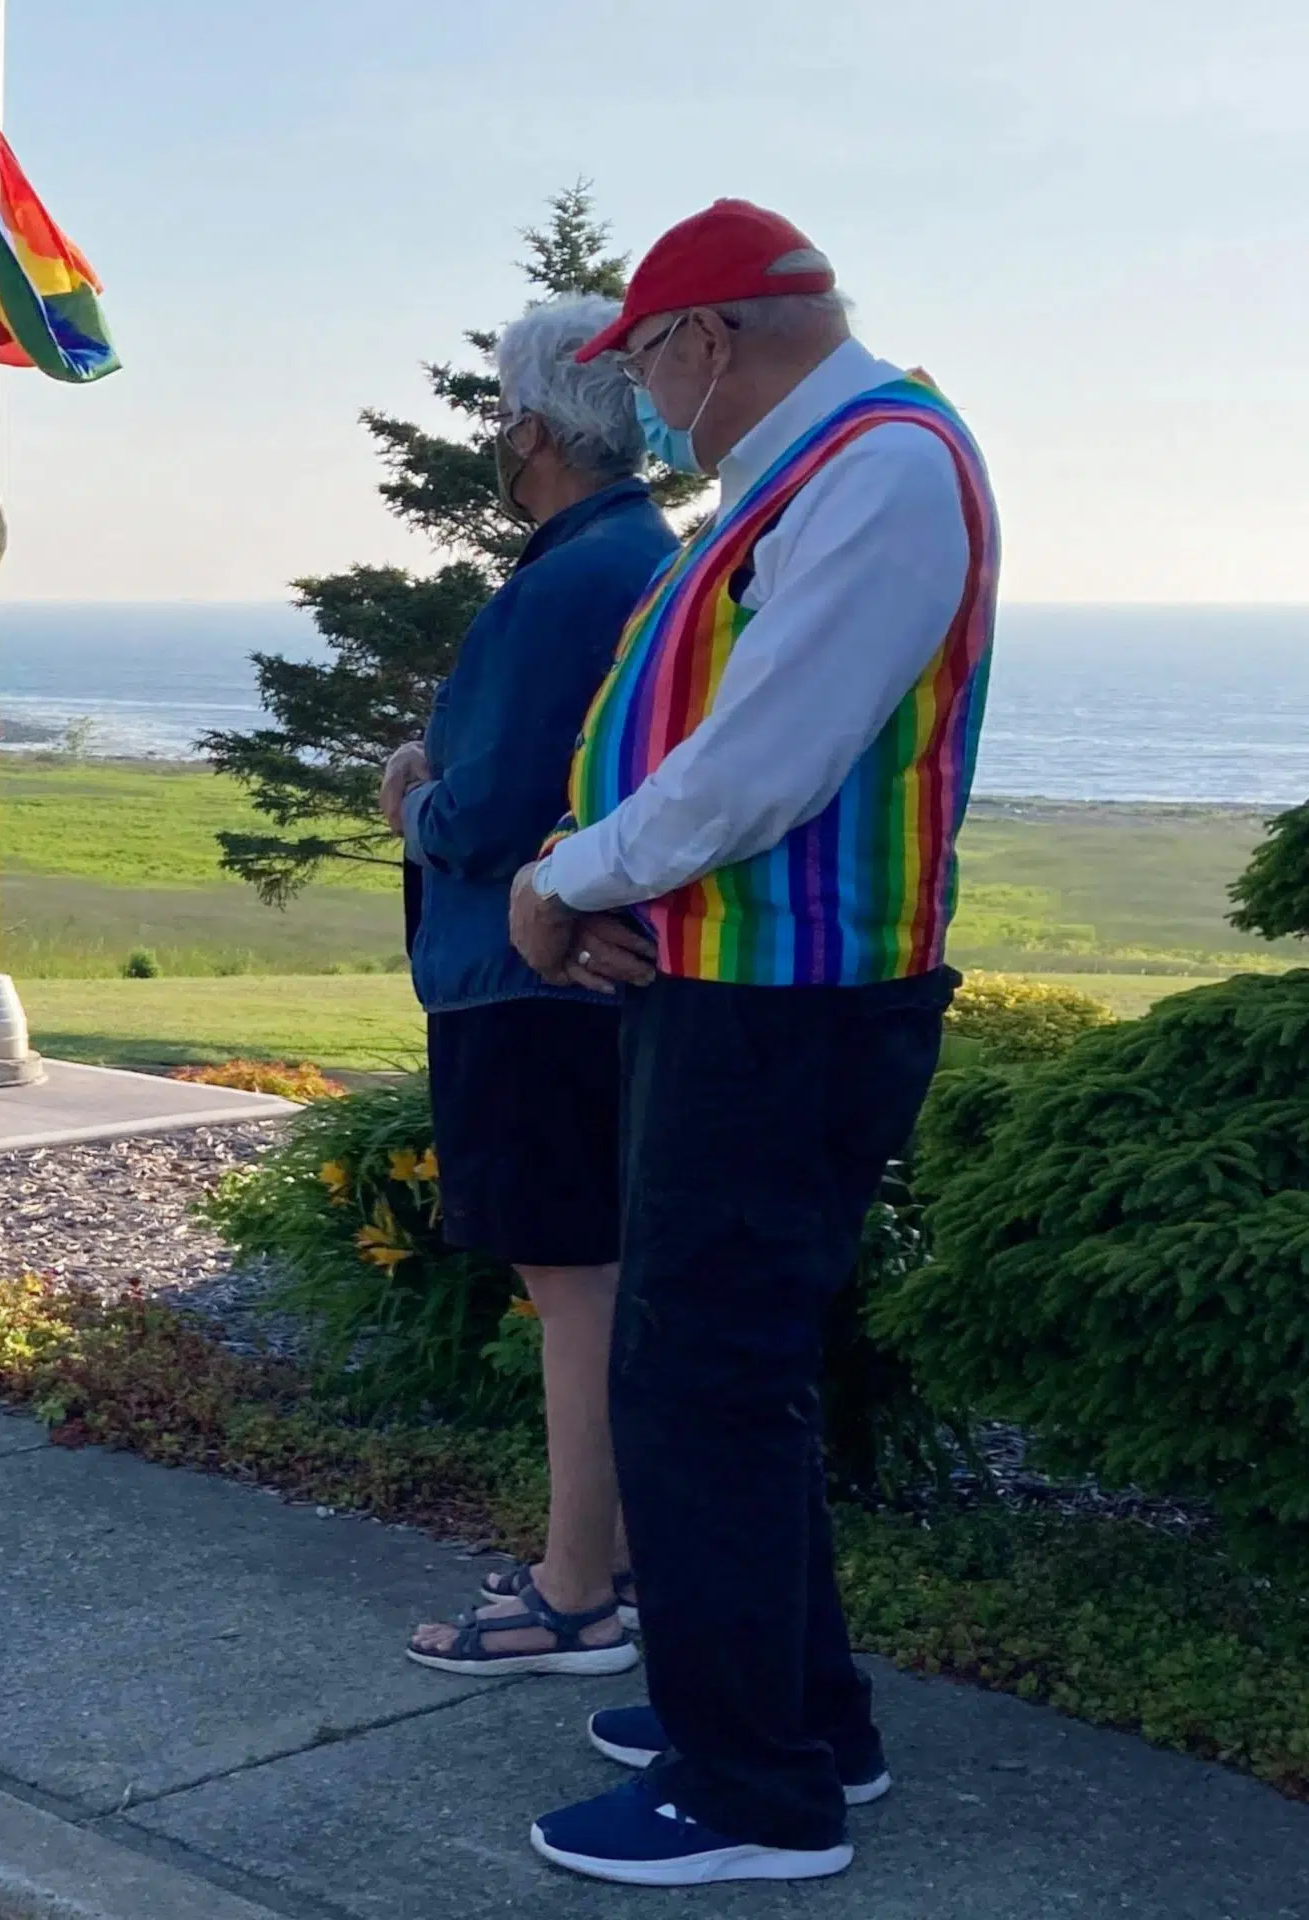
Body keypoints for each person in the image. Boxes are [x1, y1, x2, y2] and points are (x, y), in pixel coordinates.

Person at [507, 200, 999, 1888]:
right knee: (730, 1374)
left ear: (706, 338)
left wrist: (565, 878)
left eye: (644, 362)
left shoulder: (881, 464)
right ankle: (798, 1719)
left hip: (795, 1010)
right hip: (738, 994)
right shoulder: (817, 468)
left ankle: (751, 1795)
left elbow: (761, 761)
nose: (644, 401)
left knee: (700, 1383)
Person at [381, 296, 673, 1680]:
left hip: (526, 981)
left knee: (573, 1282)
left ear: (536, 433)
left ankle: (575, 1596)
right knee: (586, 1275)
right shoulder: (628, 555)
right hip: (554, 978)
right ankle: (602, 1567)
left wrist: (411, 797)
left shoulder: (574, 575)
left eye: (505, 418)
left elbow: (495, 803)